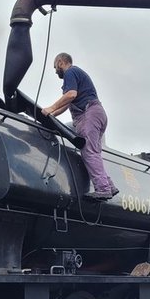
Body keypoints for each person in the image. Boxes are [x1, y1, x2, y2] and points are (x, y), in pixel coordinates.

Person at [41, 53, 118, 200]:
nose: (55, 70)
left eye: (55, 67)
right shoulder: (77, 75)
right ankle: (109, 186)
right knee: (94, 152)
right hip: (97, 113)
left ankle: (103, 189)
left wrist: (50, 108)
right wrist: (51, 116)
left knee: (89, 151)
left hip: (89, 114)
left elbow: (70, 95)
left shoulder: (70, 71)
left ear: (61, 62)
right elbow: (67, 103)